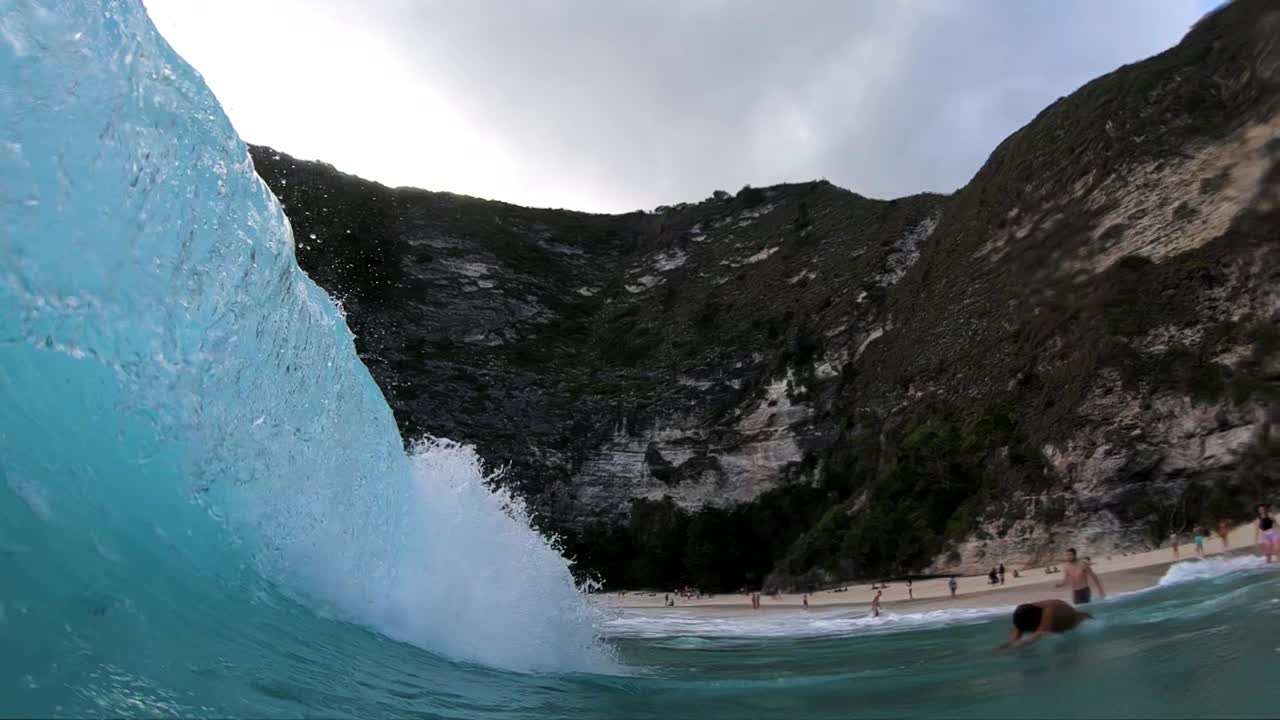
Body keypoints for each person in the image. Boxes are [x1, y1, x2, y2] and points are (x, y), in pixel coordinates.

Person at [998, 599, 1093, 649]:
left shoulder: (1050, 610)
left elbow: (1038, 635)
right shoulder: (1024, 613)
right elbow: (1013, 640)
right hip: (1062, 629)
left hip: (1081, 622)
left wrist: (1018, 645)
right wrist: (1004, 648)